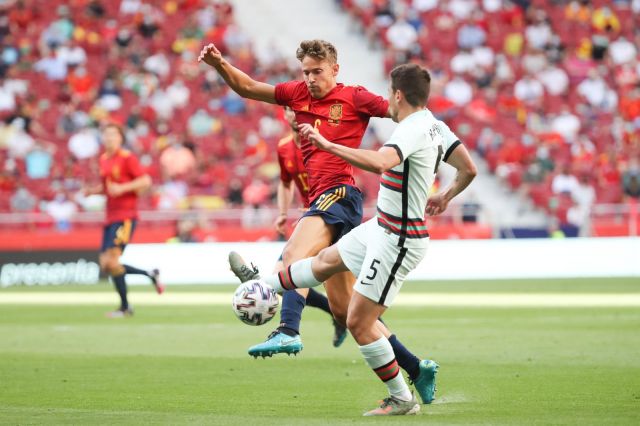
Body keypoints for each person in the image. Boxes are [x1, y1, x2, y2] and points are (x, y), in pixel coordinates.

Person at [230, 64, 477, 415]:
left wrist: (328, 144)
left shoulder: (412, 129)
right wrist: (446, 196)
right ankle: (264, 282)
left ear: (397, 95)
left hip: (400, 238)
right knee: (324, 262)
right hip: (381, 226)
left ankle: (402, 399)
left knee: (358, 322)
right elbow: (469, 168)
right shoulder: (437, 125)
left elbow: (379, 163)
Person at [200, 40, 437, 404]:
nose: (310, 79)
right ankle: (416, 367)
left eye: (317, 71)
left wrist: (435, 145)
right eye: (306, 72)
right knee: (348, 311)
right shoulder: (295, 95)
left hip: (340, 194)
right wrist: (220, 64)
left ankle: (286, 326)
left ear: (334, 69)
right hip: (324, 203)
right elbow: (248, 87)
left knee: (294, 255)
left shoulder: (355, 98)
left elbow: (402, 111)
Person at [274, 106, 347, 348]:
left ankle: (340, 317)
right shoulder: (284, 147)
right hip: (310, 221)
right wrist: (283, 212)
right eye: (288, 110)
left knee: (348, 305)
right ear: (284, 114)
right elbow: (285, 183)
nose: (293, 115)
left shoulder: (320, 142)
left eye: (298, 110)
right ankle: (293, 326)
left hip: (331, 217)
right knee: (283, 275)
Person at [85, 124, 164, 317]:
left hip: (125, 216)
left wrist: (123, 188)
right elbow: (107, 187)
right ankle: (149, 274)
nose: (109, 138)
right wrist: (93, 191)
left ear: (120, 138)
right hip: (110, 216)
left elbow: (145, 181)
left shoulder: (127, 158)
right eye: (106, 134)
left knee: (111, 262)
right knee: (105, 265)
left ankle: (125, 307)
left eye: (113, 134)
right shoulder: (104, 159)